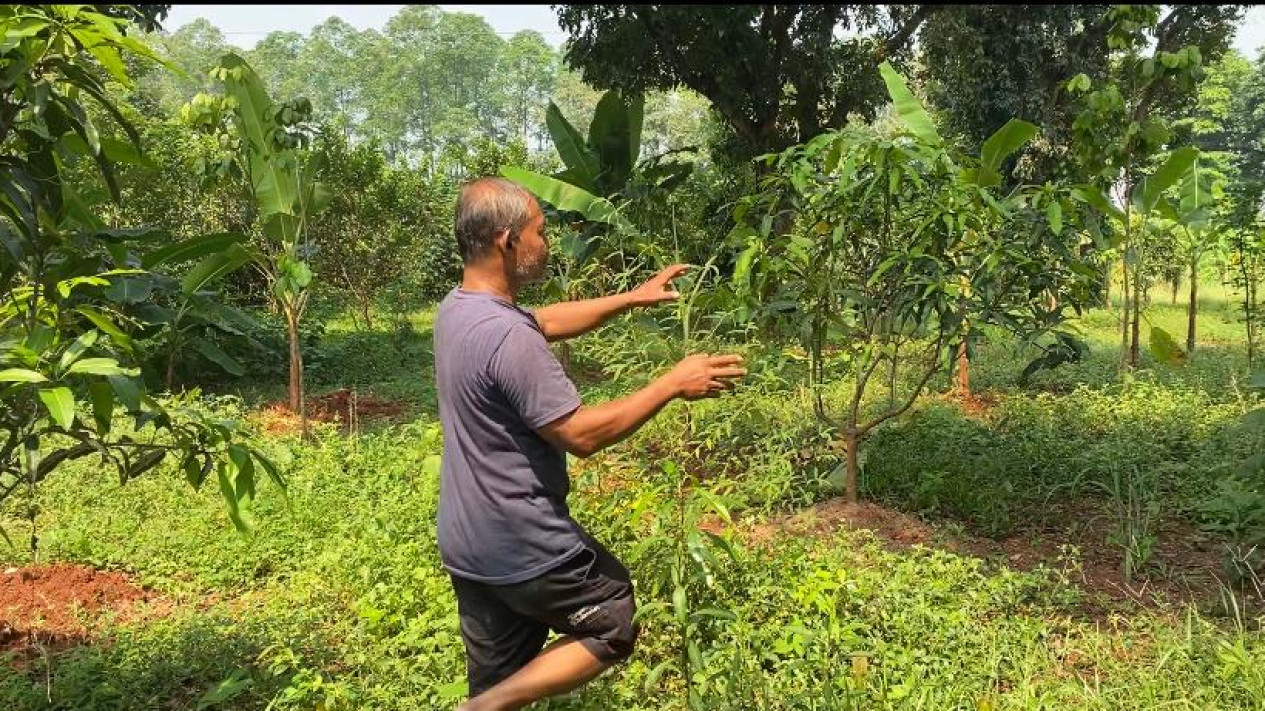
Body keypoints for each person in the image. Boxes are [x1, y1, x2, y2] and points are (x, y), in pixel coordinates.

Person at [435, 177, 746, 711]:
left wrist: (633, 297)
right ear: (508, 241)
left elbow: (547, 321)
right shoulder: (510, 340)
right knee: (612, 618)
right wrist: (672, 383)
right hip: (522, 541)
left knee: (499, 678)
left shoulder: (459, 309)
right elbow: (581, 435)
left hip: (469, 543)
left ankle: (488, 702)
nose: (546, 243)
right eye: (540, 231)